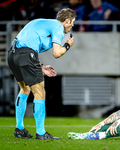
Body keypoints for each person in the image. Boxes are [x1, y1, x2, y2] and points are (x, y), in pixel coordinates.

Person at [7, 8, 76, 139]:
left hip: (12, 54)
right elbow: (57, 53)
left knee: (25, 89)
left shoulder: (43, 22)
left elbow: (28, 44)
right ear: (67, 20)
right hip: (26, 54)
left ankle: (20, 129)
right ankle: (41, 132)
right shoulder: (57, 27)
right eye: (72, 22)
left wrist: (41, 66)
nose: (72, 25)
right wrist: (67, 45)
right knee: (40, 93)